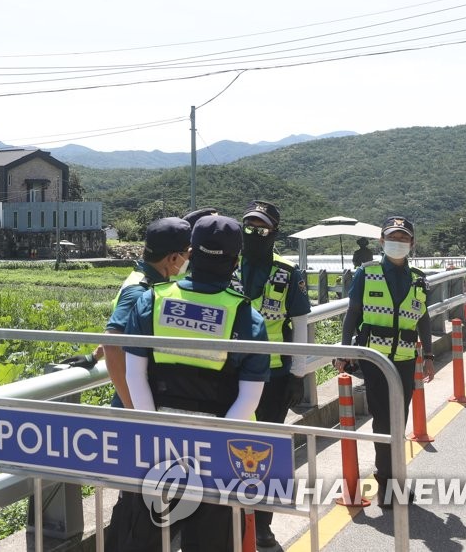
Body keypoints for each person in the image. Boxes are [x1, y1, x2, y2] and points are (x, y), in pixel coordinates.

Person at [110, 215, 270, 552]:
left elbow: (134, 374)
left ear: (191, 254)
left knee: (145, 537)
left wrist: (154, 430)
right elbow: (249, 398)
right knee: (212, 541)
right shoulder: (247, 317)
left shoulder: (151, 300)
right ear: (236, 261)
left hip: (155, 448)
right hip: (217, 454)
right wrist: (213, 445)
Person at [334, 216, 435, 508]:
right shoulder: (367, 273)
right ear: (381, 241)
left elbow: (424, 319)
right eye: (393, 237)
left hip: (404, 359)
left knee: (398, 419)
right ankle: (388, 483)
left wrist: (428, 355)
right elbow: (352, 314)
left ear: (412, 243)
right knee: (383, 420)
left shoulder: (418, 278)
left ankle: (393, 477)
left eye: (404, 238)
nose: (398, 243)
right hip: (374, 358)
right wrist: (345, 351)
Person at [238, 200, 311, 549]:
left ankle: (264, 522)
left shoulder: (287, 271)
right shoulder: (226, 263)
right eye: (249, 226)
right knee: (231, 446)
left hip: (274, 375)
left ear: (274, 232)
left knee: (267, 448)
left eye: (261, 228)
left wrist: (298, 373)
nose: (254, 233)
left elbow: (299, 326)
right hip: (231, 374)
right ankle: (236, 516)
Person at [101, 216, 193, 408]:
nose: (189, 259)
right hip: (135, 404)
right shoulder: (140, 291)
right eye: (187, 254)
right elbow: (112, 343)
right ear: (174, 258)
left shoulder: (147, 279)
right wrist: (132, 409)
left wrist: (93, 356)